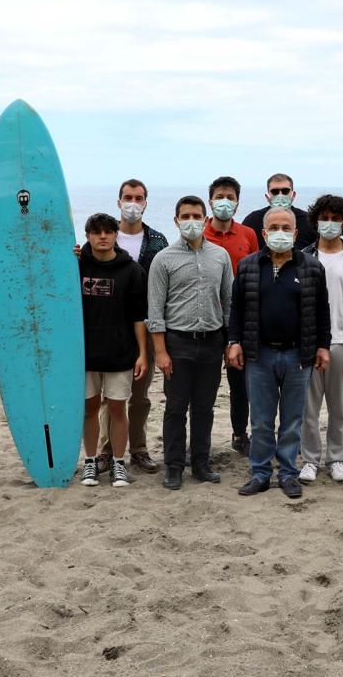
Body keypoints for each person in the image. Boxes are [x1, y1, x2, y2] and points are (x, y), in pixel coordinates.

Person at [229, 207, 332, 499]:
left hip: (298, 356)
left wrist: (323, 346)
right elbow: (236, 308)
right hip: (259, 355)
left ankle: (287, 473)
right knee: (261, 420)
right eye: (274, 227)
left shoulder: (312, 267)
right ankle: (260, 473)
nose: (280, 232)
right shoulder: (248, 266)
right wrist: (234, 341)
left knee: (292, 420)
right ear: (263, 233)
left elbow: (322, 310)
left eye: (286, 227)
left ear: (296, 233)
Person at [147, 195, 232, 490]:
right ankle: (173, 465)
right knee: (175, 408)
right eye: (186, 216)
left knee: (204, 407)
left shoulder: (220, 256)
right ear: (176, 220)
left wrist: (229, 341)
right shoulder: (163, 259)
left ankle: (200, 461)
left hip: (211, 342)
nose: (192, 221)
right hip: (177, 343)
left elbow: (228, 301)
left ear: (205, 219)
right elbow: (155, 311)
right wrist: (160, 351)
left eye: (197, 216)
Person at [98, 178, 170, 475]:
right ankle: (105, 451)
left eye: (138, 198)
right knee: (109, 396)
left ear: (145, 203)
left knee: (139, 396)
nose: (132, 203)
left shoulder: (158, 241)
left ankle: (138, 449)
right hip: (108, 330)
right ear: (118, 201)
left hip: (147, 327)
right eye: (127, 197)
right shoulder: (103, 237)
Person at [77, 213, 149, 489]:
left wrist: (142, 353)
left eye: (108, 231)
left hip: (120, 353)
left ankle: (119, 463)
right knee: (89, 409)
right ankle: (91, 462)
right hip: (84, 354)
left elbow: (138, 317)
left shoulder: (131, 271)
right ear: (88, 237)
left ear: (116, 235)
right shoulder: (77, 266)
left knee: (118, 407)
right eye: (96, 232)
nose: (103, 237)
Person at [301, 194, 343, 483]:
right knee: (308, 407)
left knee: (339, 407)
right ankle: (309, 460)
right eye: (325, 218)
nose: (329, 223)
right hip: (310, 342)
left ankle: (337, 459)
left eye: (335, 219)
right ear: (316, 221)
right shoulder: (303, 257)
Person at [201, 175, 261, 456]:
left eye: (230, 197)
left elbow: (258, 273)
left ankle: (239, 434)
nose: (224, 202)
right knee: (205, 384)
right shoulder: (199, 231)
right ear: (210, 200)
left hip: (242, 318)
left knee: (240, 384)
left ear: (237, 203)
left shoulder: (248, 234)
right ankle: (200, 439)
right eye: (219, 197)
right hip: (207, 317)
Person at [240, 173, 318, 251]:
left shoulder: (308, 220)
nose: (280, 195)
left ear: (293, 195)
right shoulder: (253, 220)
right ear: (267, 197)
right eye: (275, 192)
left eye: (285, 191)